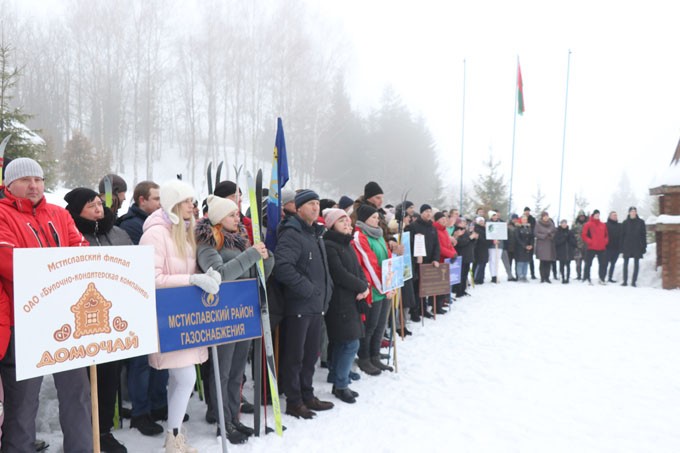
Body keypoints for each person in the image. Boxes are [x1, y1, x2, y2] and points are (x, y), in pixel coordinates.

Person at [0, 158, 92, 453]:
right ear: (8, 184)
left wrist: (60, 273)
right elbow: (10, 262)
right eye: (25, 179)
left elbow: (81, 251)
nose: (34, 185)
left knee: (77, 394)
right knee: (23, 401)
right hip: (23, 322)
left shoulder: (59, 214)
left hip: (67, 319)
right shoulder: (2, 215)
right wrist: (64, 273)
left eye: (38, 179)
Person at [139, 179, 222, 453]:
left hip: (186, 316)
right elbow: (149, 279)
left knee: (180, 379)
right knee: (185, 378)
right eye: (187, 200)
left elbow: (193, 266)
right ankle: (174, 439)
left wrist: (206, 274)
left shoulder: (187, 231)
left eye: (193, 201)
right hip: (166, 318)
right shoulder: (154, 234)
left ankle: (173, 435)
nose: (192, 205)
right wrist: (192, 279)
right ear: (173, 203)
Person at [195, 195, 272, 443]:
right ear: (218, 218)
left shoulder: (240, 242)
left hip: (244, 312)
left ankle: (234, 416)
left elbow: (257, 276)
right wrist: (250, 254)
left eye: (237, 214)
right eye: (231, 214)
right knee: (223, 371)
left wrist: (266, 260)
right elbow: (220, 276)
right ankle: (222, 421)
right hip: (222, 315)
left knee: (238, 370)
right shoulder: (208, 244)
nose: (237, 218)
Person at [64, 188, 133, 453]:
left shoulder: (117, 233)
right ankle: (84, 432)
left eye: (98, 203)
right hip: (81, 318)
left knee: (108, 378)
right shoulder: (72, 234)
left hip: (114, 317)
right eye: (90, 205)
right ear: (76, 210)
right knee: (83, 384)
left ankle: (103, 430)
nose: (98, 209)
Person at [273, 189, 334, 419]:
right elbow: (282, 267)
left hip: (316, 306)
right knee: (295, 357)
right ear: (298, 208)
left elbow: (323, 270)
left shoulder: (315, 234)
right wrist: (307, 289)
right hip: (299, 307)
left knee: (311, 356)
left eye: (318, 203)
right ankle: (294, 401)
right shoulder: (292, 233)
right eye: (310, 204)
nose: (315, 207)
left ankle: (308, 396)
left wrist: (327, 293)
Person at [116, 181, 168, 436]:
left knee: (161, 357)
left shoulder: (161, 225)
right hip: (139, 302)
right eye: (156, 199)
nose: (160, 204)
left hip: (159, 300)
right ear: (141, 200)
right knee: (141, 362)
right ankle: (141, 412)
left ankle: (158, 404)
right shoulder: (132, 226)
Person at [322, 209, 369, 403]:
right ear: (332, 224)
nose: (347, 226)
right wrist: (361, 286)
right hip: (339, 302)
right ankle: (341, 385)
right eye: (342, 222)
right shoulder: (330, 245)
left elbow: (358, 269)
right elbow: (339, 274)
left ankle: (337, 376)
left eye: (349, 223)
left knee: (344, 342)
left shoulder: (346, 244)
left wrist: (365, 285)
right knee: (351, 343)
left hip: (352, 299)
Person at [352, 204, 395, 375]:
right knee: (370, 326)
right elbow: (370, 265)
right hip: (373, 288)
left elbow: (388, 259)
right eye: (373, 217)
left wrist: (392, 282)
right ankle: (365, 358)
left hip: (385, 286)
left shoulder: (379, 236)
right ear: (363, 219)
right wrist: (383, 286)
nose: (376, 220)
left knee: (380, 326)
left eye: (377, 217)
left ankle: (375, 355)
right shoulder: (360, 236)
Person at [406, 204, 441, 320]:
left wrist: (435, 259)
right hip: (417, 262)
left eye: (430, 211)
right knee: (416, 288)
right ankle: (414, 311)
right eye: (426, 211)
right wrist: (416, 258)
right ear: (421, 213)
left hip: (429, 262)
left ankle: (423, 309)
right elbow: (409, 244)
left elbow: (436, 245)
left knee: (425, 287)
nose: (428, 213)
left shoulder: (432, 227)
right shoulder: (413, 226)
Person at [620, 207, 647, 287]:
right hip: (627, 246)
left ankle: (633, 281)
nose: (633, 212)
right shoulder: (625, 223)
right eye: (632, 211)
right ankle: (625, 281)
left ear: (636, 212)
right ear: (629, 213)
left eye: (634, 211)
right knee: (625, 263)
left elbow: (643, 235)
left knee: (636, 263)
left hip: (637, 246)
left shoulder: (641, 222)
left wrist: (644, 246)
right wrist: (621, 247)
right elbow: (622, 236)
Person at [581, 209, 609, 285]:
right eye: (596, 215)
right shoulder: (588, 224)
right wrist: (590, 241)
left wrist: (605, 242)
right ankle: (586, 278)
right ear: (593, 215)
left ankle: (601, 278)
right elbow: (584, 235)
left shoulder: (603, 225)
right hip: (591, 247)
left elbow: (606, 235)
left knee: (603, 264)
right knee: (588, 264)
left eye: (598, 215)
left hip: (601, 247)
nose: (597, 216)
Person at [453, 217, 476, 296]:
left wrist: (473, 237)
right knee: (460, 274)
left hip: (468, 255)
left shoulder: (465, 231)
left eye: (465, 222)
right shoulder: (457, 231)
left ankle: (463, 289)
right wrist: (470, 238)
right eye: (462, 222)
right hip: (461, 255)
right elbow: (459, 243)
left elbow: (471, 242)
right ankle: (458, 291)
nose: (464, 223)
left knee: (465, 274)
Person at [534, 211, 557, 283]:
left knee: (548, 262)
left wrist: (551, 235)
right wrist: (544, 235)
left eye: (547, 216)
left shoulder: (551, 224)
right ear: (542, 217)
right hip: (542, 244)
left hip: (549, 244)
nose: (546, 217)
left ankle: (547, 277)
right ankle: (542, 277)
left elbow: (554, 231)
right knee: (542, 262)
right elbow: (536, 233)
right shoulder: (538, 224)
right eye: (544, 216)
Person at [554, 219, 577, 283]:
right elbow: (556, 242)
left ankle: (567, 278)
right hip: (561, 252)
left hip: (568, 252)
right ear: (561, 224)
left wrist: (569, 239)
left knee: (568, 265)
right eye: (562, 223)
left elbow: (574, 242)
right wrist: (563, 238)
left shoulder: (570, 232)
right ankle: (563, 277)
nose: (564, 224)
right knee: (561, 265)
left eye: (565, 223)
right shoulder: (558, 232)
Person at [515, 215, 534, 282]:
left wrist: (531, 245)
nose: (525, 220)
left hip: (528, 248)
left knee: (526, 262)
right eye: (523, 219)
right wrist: (524, 245)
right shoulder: (518, 228)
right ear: (521, 220)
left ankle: (524, 275)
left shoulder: (529, 228)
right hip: (520, 248)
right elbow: (517, 238)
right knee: (520, 263)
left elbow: (532, 237)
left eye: (526, 219)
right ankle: (520, 276)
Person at [486, 210, 504, 283]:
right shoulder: (488, 224)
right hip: (492, 245)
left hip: (499, 245)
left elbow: (502, 234)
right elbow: (488, 234)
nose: (495, 217)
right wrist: (493, 240)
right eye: (493, 215)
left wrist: (499, 239)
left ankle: (496, 275)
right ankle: (493, 276)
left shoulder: (501, 223)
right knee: (492, 260)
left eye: (495, 215)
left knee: (497, 261)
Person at [605, 211, 622, 283]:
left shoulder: (620, 225)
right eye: (613, 215)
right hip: (607, 248)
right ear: (610, 216)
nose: (615, 216)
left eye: (616, 215)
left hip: (616, 248)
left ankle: (610, 277)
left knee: (613, 264)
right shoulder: (605, 225)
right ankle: (602, 277)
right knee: (605, 263)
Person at [571, 210, 588, 280]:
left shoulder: (588, 224)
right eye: (580, 216)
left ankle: (586, 275)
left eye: (583, 216)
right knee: (578, 262)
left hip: (586, 245)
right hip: (577, 245)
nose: (582, 217)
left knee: (587, 262)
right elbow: (571, 234)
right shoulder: (574, 224)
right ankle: (579, 275)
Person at [472, 217, 488, 284]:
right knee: (478, 263)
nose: (482, 222)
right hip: (478, 248)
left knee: (483, 263)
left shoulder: (485, 229)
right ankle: (476, 278)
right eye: (480, 221)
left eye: (482, 221)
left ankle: (481, 278)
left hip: (484, 248)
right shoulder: (476, 228)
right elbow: (479, 238)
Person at [523, 207, 537, 279]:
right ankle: (520, 274)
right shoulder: (521, 218)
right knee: (521, 259)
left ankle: (533, 274)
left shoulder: (532, 219)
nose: (527, 212)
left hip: (530, 239)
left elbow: (534, 229)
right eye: (526, 211)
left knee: (531, 259)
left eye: (528, 211)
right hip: (522, 241)